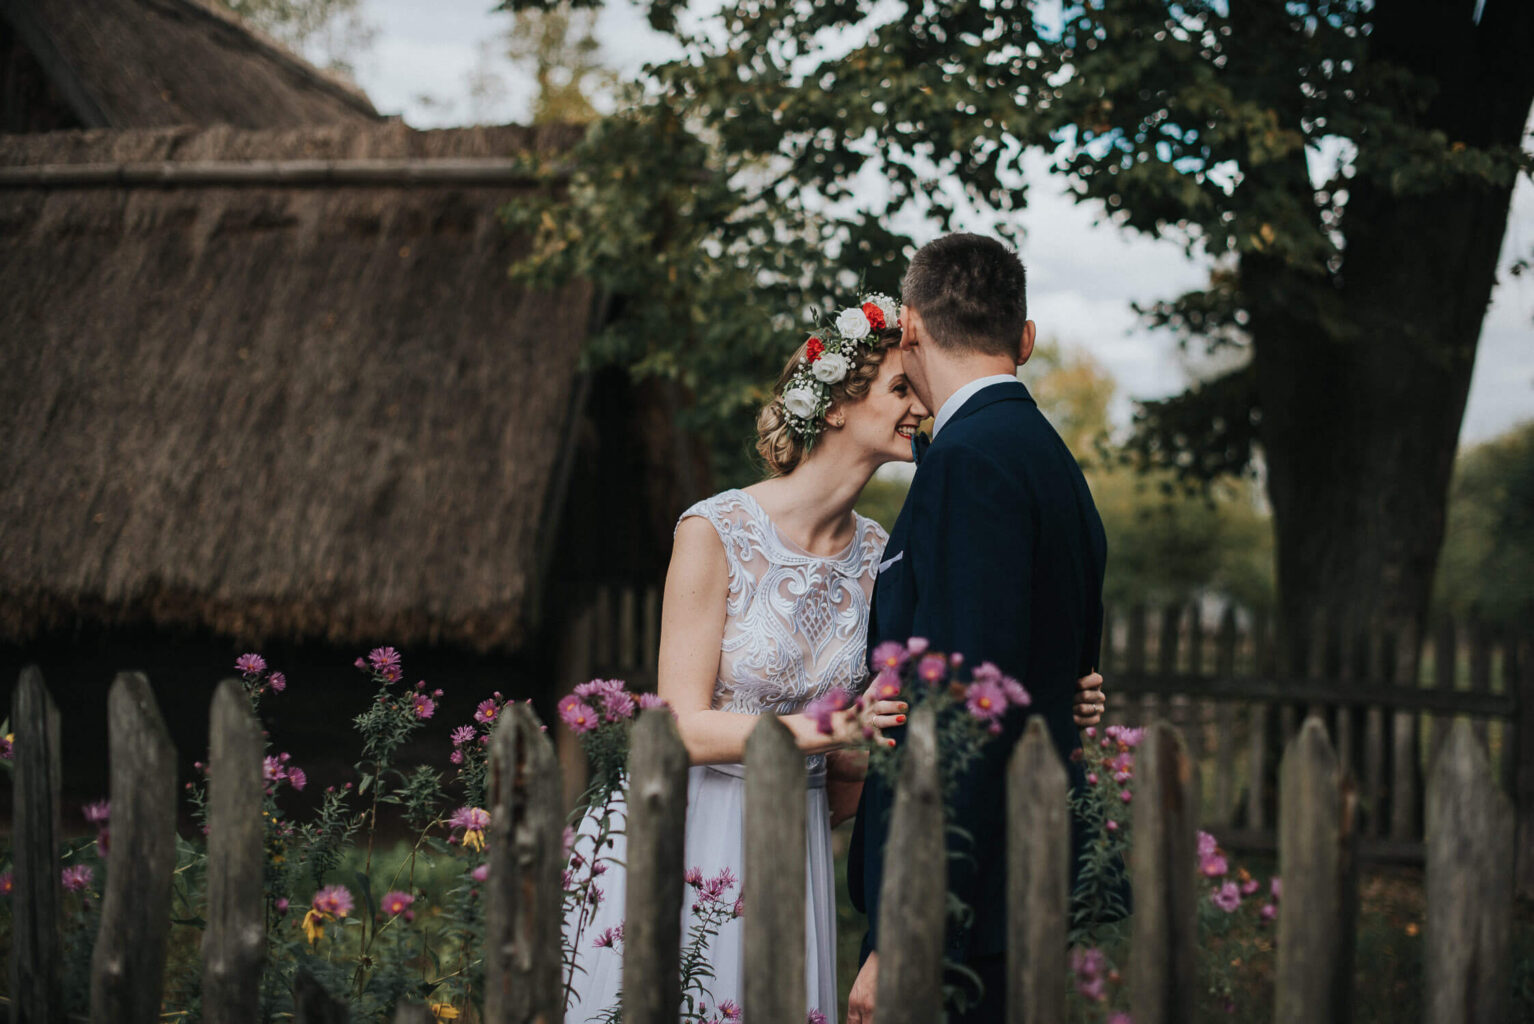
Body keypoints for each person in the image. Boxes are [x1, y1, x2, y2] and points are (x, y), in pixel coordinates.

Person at [563, 297, 1107, 1023]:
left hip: (799, 834)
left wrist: (1050, 692)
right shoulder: (714, 529)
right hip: (690, 825)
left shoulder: (884, 553)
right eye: (899, 390)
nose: (921, 406)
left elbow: (910, 707)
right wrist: (825, 731)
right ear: (838, 408)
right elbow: (681, 726)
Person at [846, 235, 1110, 1024]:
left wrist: (905, 933)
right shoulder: (1050, 459)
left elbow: (960, 715)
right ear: (1024, 340)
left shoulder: (971, 462)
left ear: (912, 328)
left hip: (959, 910)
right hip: (1011, 884)